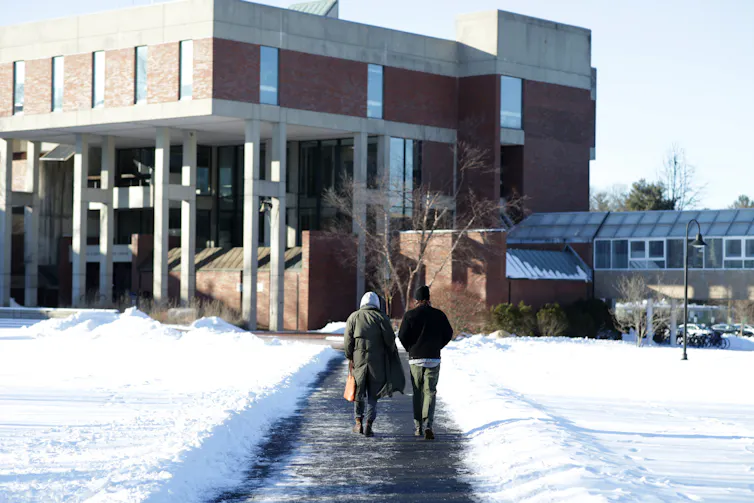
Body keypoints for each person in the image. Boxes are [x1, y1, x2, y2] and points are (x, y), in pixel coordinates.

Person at [344, 291, 404, 437]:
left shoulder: (354, 317)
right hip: (377, 361)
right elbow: (390, 340)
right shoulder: (381, 318)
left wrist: (350, 356)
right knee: (373, 393)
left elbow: (348, 342)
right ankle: (369, 424)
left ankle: (358, 422)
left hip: (359, 360)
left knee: (358, 391)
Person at [398, 285, 453, 440]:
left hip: (416, 359)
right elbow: (448, 333)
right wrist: (438, 346)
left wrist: (410, 348)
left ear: (416, 300)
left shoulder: (410, 315)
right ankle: (428, 424)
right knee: (430, 391)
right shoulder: (439, 315)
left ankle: (418, 426)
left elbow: (402, 335)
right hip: (433, 358)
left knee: (417, 391)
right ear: (429, 298)